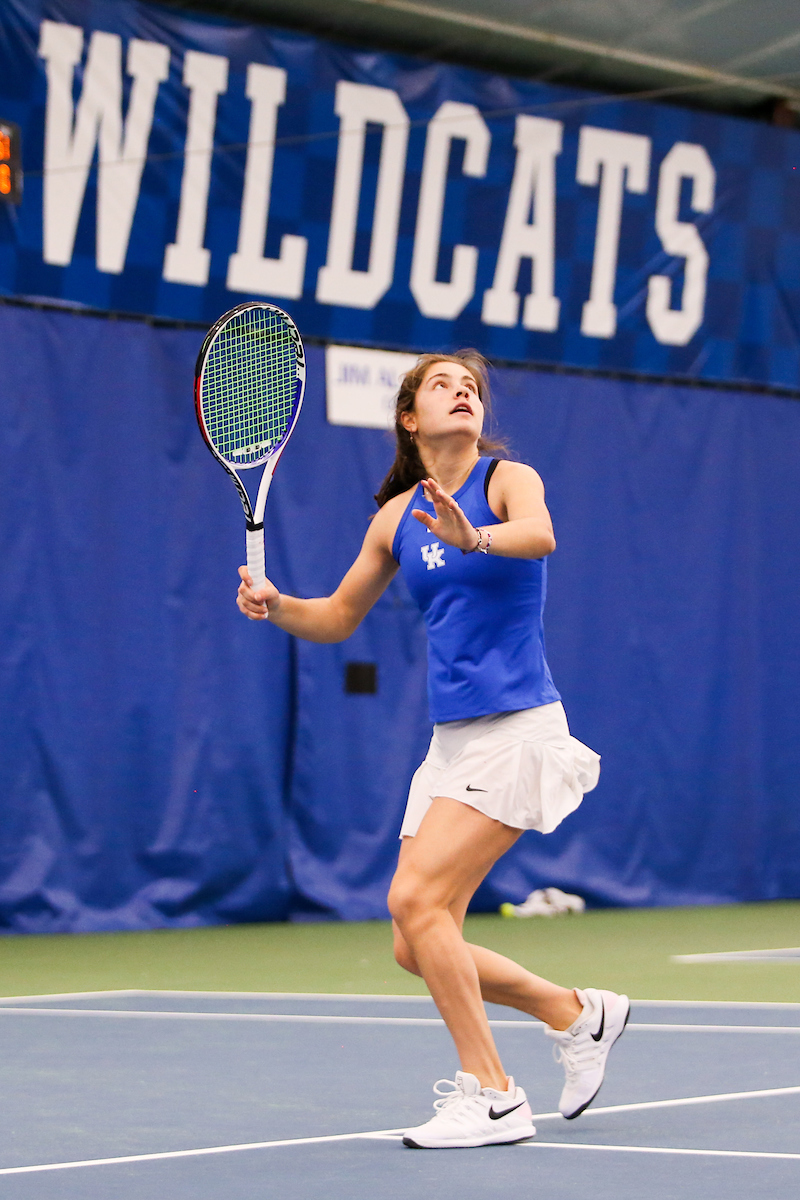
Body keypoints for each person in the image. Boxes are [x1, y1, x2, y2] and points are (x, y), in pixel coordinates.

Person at [237, 350, 629, 1149]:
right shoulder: (394, 520)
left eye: (473, 387)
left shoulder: (506, 480)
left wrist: (475, 535)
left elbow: (542, 536)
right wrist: (277, 606)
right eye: (444, 384)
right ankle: (576, 1014)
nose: (464, 393)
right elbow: (339, 616)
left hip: (519, 728)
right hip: (450, 744)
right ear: (410, 418)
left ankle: (494, 1096)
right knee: (412, 940)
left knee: (416, 902)